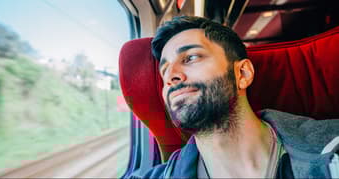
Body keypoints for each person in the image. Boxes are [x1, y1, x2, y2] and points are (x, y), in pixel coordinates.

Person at [130, 16, 339, 178]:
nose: (170, 77)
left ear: (242, 74)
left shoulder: (332, 146)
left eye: (191, 57)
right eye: (164, 70)